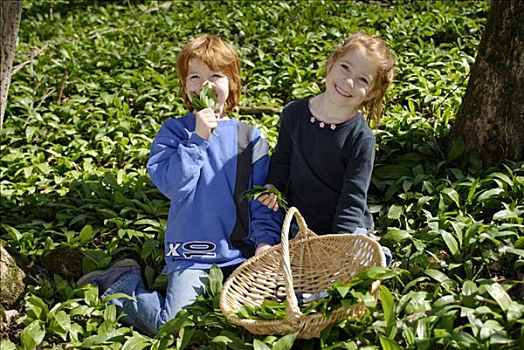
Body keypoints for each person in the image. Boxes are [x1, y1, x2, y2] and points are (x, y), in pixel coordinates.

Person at [77, 35, 281, 336]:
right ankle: (122, 284)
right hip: (192, 253)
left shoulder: (249, 138)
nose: (205, 85)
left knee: (257, 322)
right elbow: (174, 186)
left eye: (215, 75)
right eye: (195, 77)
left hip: (240, 253)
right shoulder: (174, 132)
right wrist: (198, 138)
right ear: (185, 86)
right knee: (173, 327)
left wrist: (265, 243)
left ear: (232, 83)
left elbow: (263, 199)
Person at [258, 32, 394, 264]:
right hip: (301, 219)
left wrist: (338, 245)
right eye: (345, 68)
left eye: (362, 80)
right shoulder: (294, 114)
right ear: (331, 63)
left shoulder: (361, 138)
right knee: (290, 272)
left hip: (346, 225)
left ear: (370, 92)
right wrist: (273, 186)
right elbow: (282, 160)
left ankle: (376, 252)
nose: (349, 81)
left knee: (353, 267)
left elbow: (352, 198)